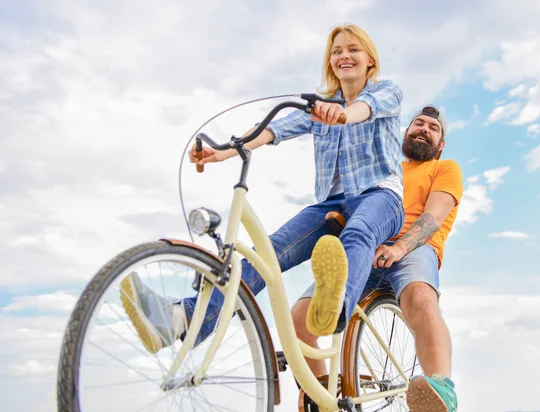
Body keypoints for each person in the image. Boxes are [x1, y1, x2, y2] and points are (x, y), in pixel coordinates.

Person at [119, 23, 405, 354]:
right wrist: (224, 150)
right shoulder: (320, 109)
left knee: (358, 234)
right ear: (330, 62)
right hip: (333, 203)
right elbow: (274, 130)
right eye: (337, 51)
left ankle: (334, 307)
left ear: (370, 60)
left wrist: (341, 113)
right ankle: (181, 318)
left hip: (381, 197)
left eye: (353, 49)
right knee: (265, 254)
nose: (344, 55)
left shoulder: (386, 91)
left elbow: (363, 110)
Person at [291, 105, 463, 412]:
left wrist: (399, 248)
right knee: (299, 319)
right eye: (418, 124)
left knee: (421, 299)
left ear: (440, 145)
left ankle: (440, 389)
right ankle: (320, 392)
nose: (424, 128)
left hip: (414, 247)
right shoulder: (384, 173)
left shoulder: (444, 168)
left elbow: (433, 216)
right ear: (405, 133)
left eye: (433, 128)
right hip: (367, 246)